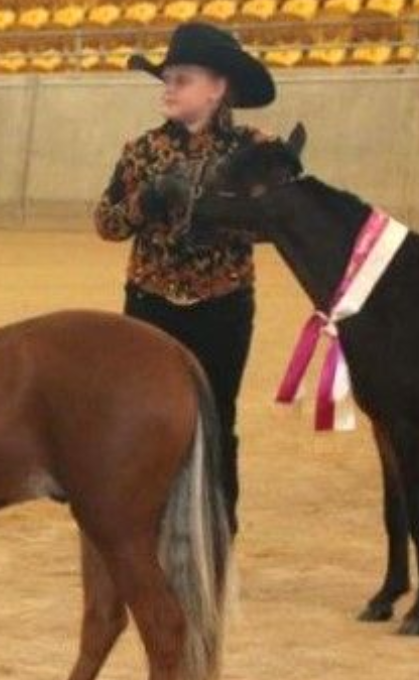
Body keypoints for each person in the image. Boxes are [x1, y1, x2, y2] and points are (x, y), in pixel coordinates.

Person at [94, 22, 277, 535]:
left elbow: (276, 226)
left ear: (217, 88)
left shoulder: (253, 151)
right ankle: (145, 526)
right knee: (144, 421)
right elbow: (105, 224)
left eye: (183, 78)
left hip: (223, 308)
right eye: (167, 78)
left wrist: (227, 212)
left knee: (217, 419)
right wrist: (144, 203)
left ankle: (218, 530)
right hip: (150, 306)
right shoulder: (141, 151)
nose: (169, 88)